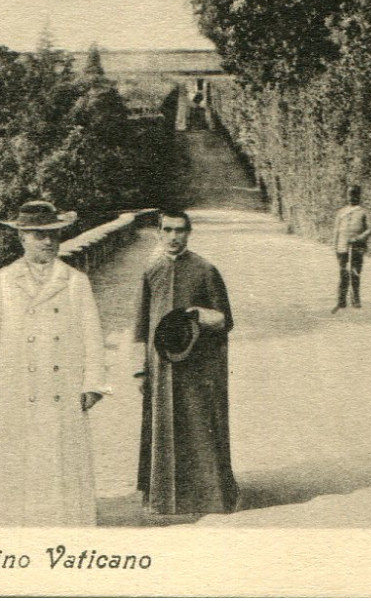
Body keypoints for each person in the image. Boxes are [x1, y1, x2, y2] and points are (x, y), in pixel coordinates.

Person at [0, 199, 108, 526]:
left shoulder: (75, 281)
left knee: (60, 462)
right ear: (21, 238)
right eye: (37, 235)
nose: (46, 242)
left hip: (62, 389)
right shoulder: (1, 282)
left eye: (52, 235)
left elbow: (92, 336)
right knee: (17, 462)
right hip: (16, 389)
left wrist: (93, 385)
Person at [134, 209, 238, 517]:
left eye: (180, 230)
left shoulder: (206, 270)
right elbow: (139, 325)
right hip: (160, 367)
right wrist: (139, 369)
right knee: (162, 425)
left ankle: (207, 497)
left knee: (199, 425)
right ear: (159, 233)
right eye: (167, 230)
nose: (174, 236)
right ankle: (162, 498)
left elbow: (225, 319)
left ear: (188, 233)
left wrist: (198, 314)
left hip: (197, 365)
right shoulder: (150, 271)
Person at [331, 185, 371, 312]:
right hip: (342, 247)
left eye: (354, 194)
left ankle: (356, 300)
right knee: (343, 273)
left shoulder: (363, 212)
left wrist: (359, 238)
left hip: (357, 247)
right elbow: (336, 231)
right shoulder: (341, 212)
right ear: (346, 195)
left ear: (359, 196)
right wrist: (335, 247)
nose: (351, 197)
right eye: (349, 194)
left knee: (355, 272)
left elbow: (370, 229)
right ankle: (341, 300)